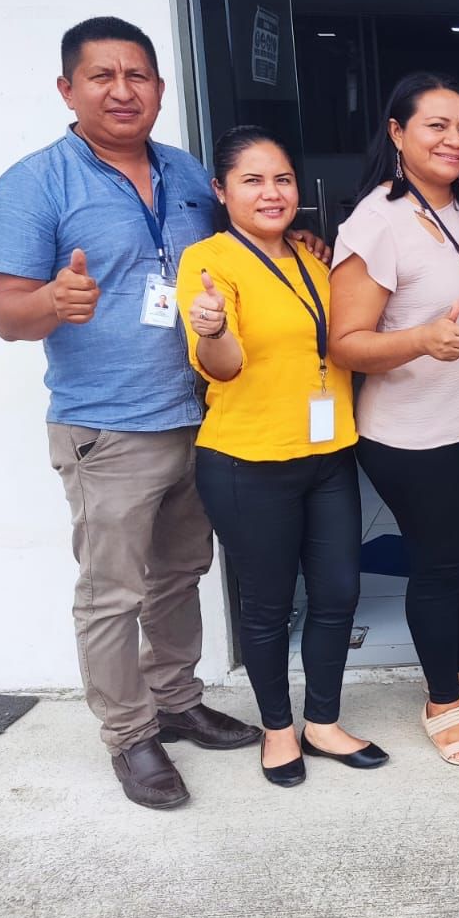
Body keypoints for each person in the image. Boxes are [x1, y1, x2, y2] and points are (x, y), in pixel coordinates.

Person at [0, 17, 265, 809]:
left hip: (199, 416)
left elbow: (239, 259)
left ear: (160, 89)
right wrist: (52, 299)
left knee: (180, 573)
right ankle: (130, 735)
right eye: (101, 76)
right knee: (112, 593)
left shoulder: (187, 173)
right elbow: (7, 315)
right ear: (67, 89)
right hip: (107, 429)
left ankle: (175, 701)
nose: (121, 90)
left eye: (136, 75)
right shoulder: (35, 183)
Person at [178, 127, 386, 788]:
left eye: (283, 180)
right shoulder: (209, 262)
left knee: (339, 593)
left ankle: (322, 723)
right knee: (268, 606)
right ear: (221, 191)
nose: (272, 193)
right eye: (253, 181)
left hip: (329, 454)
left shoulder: (314, 257)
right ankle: (276, 729)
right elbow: (223, 366)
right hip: (248, 461)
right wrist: (213, 329)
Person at [328, 73, 459, 767]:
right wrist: (419, 340)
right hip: (411, 434)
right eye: (436, 126)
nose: (453, 140)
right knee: (442, 565)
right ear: (397, 133)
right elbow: (344, 343)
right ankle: (442, 701)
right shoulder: (375, 222)